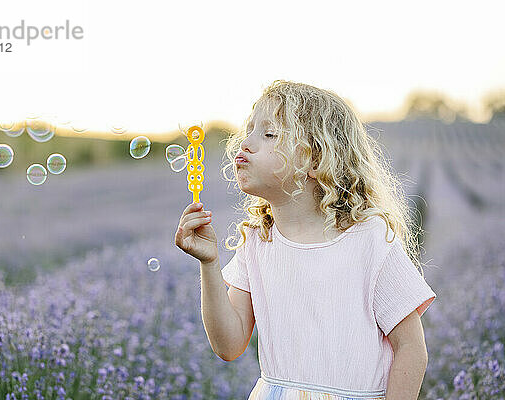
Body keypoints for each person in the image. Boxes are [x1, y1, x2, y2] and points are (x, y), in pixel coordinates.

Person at [175, 80, 437, 400]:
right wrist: (209, 262)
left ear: (316, 160)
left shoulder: (369, 240)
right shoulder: (258, 241)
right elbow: (228, 345)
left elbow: (411, 348)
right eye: (250, 129)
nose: (246, 142)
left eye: (269, 134)